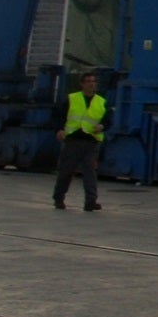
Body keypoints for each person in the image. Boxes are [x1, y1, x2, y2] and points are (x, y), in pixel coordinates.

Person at [53, 71, 107, 212]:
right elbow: (59, 115)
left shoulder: (101, 101)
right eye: (88, 81)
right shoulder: (72, 99)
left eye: (93, 81)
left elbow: (109, 119)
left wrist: (102, 126)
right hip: (73, 140)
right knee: (66, 171)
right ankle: (58, 198)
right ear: (82, 84)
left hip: (91, 141)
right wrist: (59, 129)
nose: (91, 84)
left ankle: (90, 201)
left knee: (90, 172)